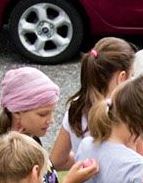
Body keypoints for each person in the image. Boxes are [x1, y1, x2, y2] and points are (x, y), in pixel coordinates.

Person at [0, 67, 98, 183]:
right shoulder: (15, 155)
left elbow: (46, 175)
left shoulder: (31, 138)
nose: (50, 119)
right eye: (42, 114)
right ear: (17, 112)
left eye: (51, 112)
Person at [52, 38, 136, 170]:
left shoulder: (76, 109)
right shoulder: (127, 114)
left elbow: (57, 161)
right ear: (122, 77)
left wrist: (87, 160)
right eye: (132, 75)